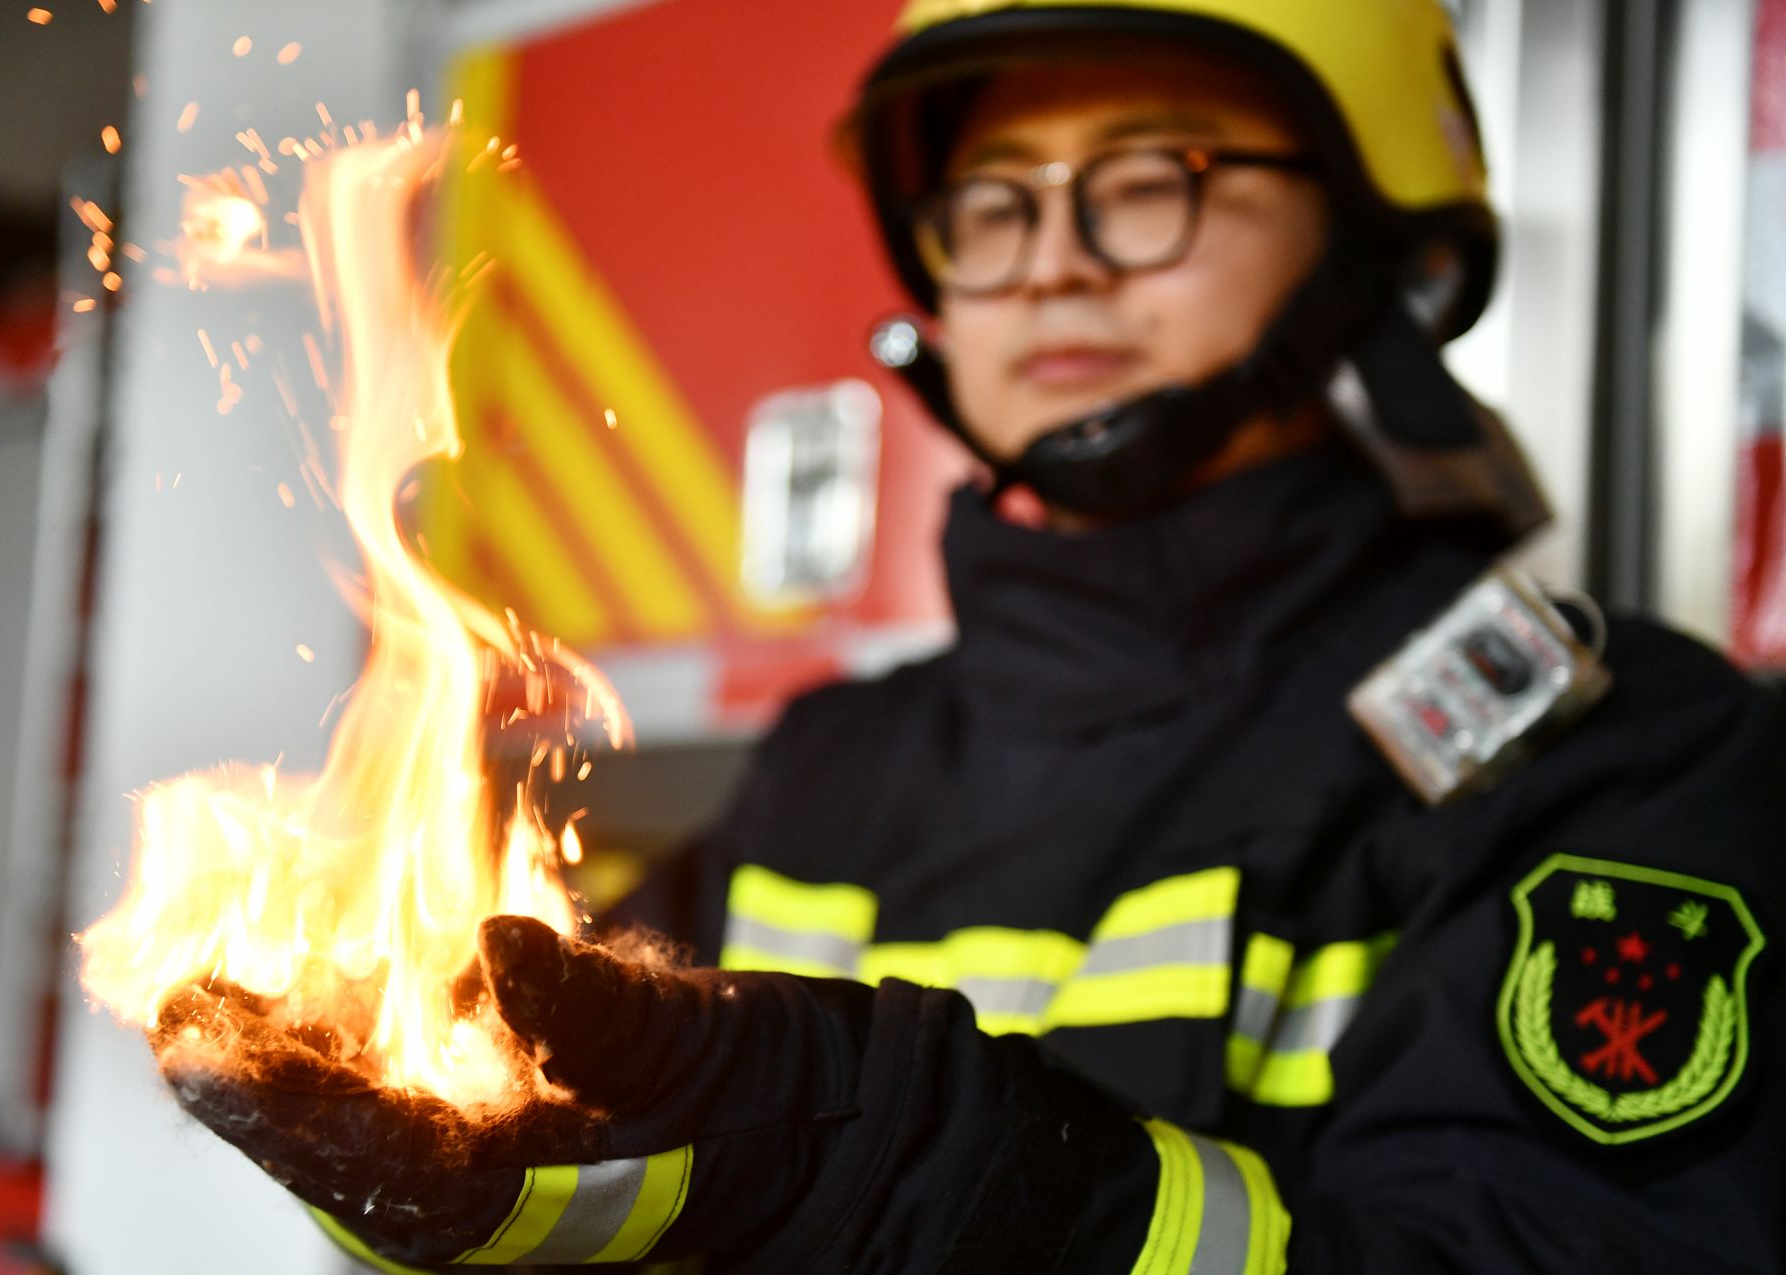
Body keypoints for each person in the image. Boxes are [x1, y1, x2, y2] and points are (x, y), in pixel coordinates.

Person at [153, 1, 1785, 1271]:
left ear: (1382, 249)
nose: (1053, 267)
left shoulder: (1617, 762)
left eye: (1154, 182)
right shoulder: (829, 772)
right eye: (991, 206)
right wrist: (423, 1179)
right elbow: (577, 1204)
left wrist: (924, 1170)